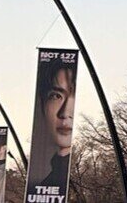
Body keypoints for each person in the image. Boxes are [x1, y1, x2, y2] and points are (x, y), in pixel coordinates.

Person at [32, 57, 77, 188]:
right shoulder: (48, 180)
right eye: (56, 96)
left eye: (73, 97)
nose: (64, 113)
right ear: (42, 105)